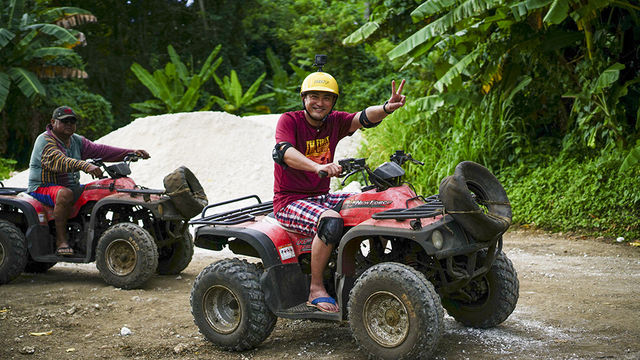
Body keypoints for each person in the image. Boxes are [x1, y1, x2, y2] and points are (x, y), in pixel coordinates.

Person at [272, 64, 406, 313]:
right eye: (314, 97)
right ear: (304, 98)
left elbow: (363, 117)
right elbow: (284, 152)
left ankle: (375, 268)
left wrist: (387, 108)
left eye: (326, 98)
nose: (319, 103)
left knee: (375, 204)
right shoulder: (289, 120)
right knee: (331, 221)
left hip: (321, 196)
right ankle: (316, 289)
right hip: (289, 201)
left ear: (333, 102)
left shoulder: (334, 122)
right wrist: (316, 167)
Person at [27, 106, 150, 256]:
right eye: (65, 121)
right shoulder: (45, 140)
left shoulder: (76, 141)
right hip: (42, 186)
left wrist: (130, 152)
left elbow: (101, 150)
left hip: (71, 186)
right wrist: (85, 165)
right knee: (64, 194)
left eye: (72, 121)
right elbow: (59, 161)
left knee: (102, 189)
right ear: (53, 122)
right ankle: (61, 241)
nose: (69, 124)